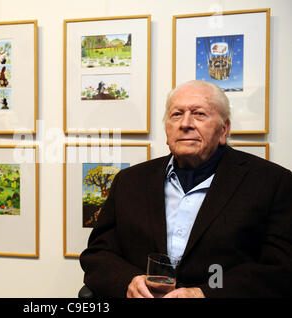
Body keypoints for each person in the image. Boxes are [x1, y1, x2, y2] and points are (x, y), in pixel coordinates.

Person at [79, 80, 292, 298]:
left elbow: (280, 270)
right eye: (176, 114)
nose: (185, 124)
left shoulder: (273, 183)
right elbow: (97, 255)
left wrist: (204, 294)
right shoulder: (129, 181)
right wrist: (129, 282)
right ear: (166, 128)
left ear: (224, 129)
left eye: (199, 114)